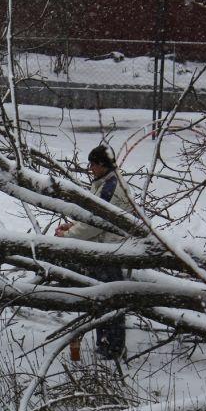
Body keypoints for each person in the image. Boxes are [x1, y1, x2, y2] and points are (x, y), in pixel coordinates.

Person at [55, 145, 134, 360]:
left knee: (109, 299)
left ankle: (112, 348)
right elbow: (91, 216)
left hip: (111, 251)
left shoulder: (111, 188)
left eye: (92, 164)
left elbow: (96, 223)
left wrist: (68, 236)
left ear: (101, 164)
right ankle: (105, 344)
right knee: (103, 297)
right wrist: (71, 226)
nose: (90, 169)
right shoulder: (104, 183)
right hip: (103, 247)